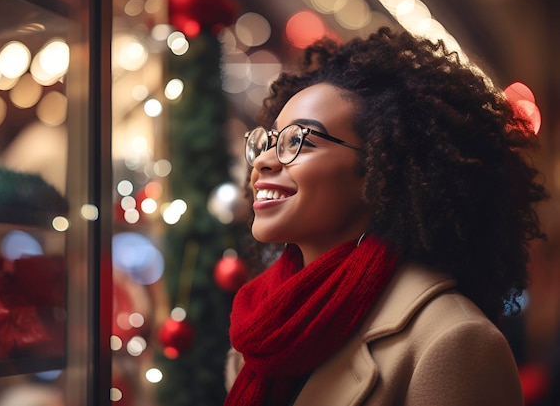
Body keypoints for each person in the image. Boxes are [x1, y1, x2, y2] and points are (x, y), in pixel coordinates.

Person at [223, 27, 548, 406]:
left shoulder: (452, 341)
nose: (263, 159)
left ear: (381, 168)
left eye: (298, 141)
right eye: (268, 140)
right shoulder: (261, 327)